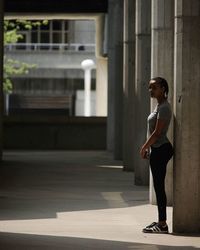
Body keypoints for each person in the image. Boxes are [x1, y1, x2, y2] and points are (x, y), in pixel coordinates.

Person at [140, 77, 174, 234]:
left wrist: (144, 147)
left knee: (159, 188)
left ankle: (162, 224)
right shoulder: (159, 106)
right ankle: (161, 221)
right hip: (157, 149)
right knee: (158, 187)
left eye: (154, 87)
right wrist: (149, 148)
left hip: (161, 149)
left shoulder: (165, 107)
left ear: (162, 88)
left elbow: (157, 133)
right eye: (149, 87)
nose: (150, 90)